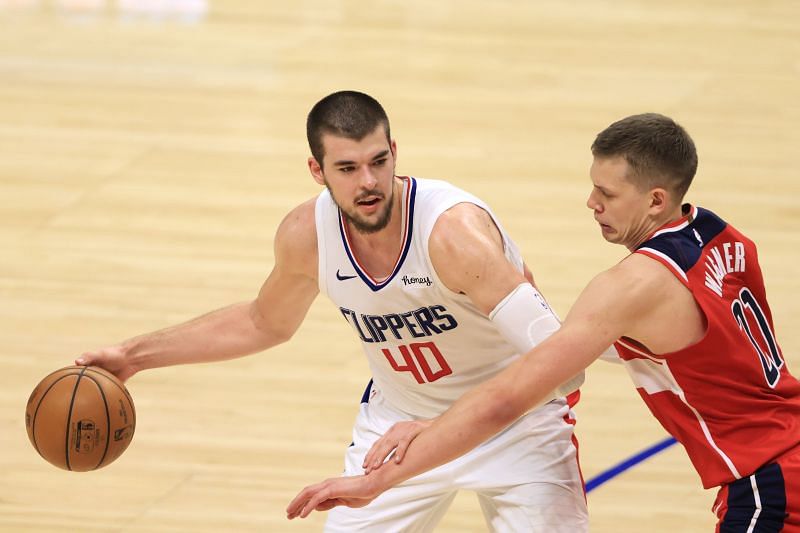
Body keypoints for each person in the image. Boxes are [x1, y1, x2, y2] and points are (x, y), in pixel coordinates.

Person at [76, 90, 588, 532]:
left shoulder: (453, 235)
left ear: (394, 152)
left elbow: (564, 364)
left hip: (517, 424)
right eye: (347, 168)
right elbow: (263, 321)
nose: (368, 181)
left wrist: (442, 427)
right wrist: (134, 355)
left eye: (378, 162)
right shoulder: (307, 236)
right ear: (316, 170)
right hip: (395, 427)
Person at [287, 113, 800, 532]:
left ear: (655, 200)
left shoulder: (630, 286)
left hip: (768, 478)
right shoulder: (722, 237)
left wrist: (392, 467)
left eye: (607, 193)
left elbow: (513, 394)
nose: (591, 203)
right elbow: (635, 339)